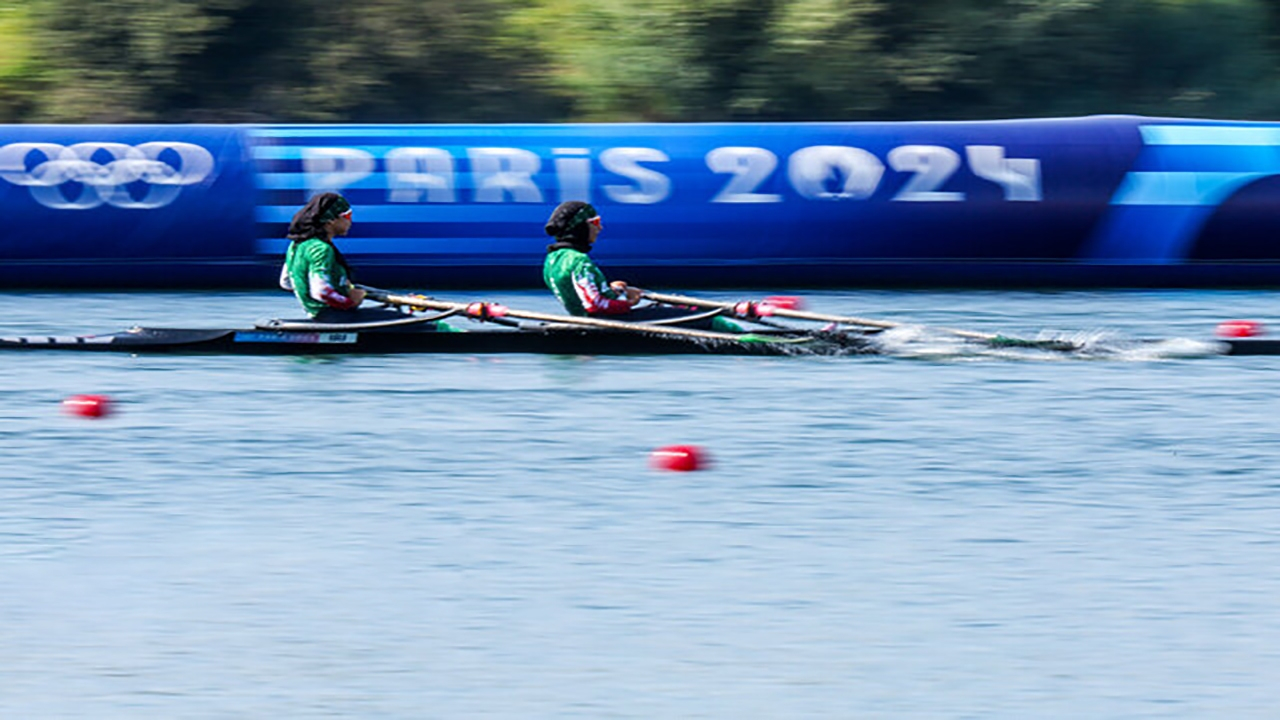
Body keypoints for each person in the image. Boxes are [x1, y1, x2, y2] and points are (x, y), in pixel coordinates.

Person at [542, 200, 741, 332]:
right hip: (612, 323)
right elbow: (594, 306)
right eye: (596, 222)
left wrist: (612, 289)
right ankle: (750, 337)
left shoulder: (552, 260)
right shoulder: (578, 261)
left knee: (676, 306)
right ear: (580, 226)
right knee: (697, 315)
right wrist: (630, 302)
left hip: (591, 321)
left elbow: (584, 295)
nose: (600, 228)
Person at [280, 192, 441, 326]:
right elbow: (322, 292)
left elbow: (287, 282)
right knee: (415, 324)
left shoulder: (296, 245)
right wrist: (350, 300)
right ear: (330, 221)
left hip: (320, 316)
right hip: (336, 317)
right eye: (347, 216)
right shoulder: (322, 249)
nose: (350, 221)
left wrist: (342, 286)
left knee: (392, 314)